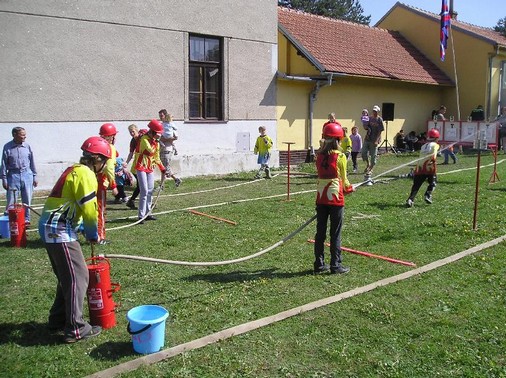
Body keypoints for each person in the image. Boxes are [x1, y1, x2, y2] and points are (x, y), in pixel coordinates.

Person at [38, 136, 111, 343]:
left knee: (66, 276)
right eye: (104, 161)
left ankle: (57, 320)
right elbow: (89, 210)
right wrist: (91, 234)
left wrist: (78, 227)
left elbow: (70, 204)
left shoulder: (74, 170)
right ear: (97, 160)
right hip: (58, 230)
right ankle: (75, 328)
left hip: (52, 227)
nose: (104, 166)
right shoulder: (86, 174)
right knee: (78, 277)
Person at [313, 121, 354, 274]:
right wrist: (349, 189)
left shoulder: (319, 156)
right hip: (335, 198)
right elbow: (344, 179)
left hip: (321, 197)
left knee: (320, 232)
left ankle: (319, 264)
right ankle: (335, 265)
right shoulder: (340, 156)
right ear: (338, 139)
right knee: (335, 233)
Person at [1, 127, 38, 225]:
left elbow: (32, 162)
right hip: (13, 176)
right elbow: (4, 164)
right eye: (22, 135)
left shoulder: (27, 146)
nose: (24, 137)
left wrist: (35, 176)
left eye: (25, 134)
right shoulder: (7, 147)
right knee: (11, 201)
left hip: (27, 175)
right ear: (14, 135)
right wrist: (4, 179)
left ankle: (26, 220)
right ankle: (8, 221)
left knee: (27, 200)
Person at [134, 119, 167, 223]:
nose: (159, 135)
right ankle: (141, 216)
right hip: (141, 166)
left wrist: (162, 168)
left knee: (150, 190)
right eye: (158, 133)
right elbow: (150, 151)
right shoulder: (144, 139)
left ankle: (148, 213)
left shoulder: (155, 142)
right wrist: (156, 141)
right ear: (153, 131)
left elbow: (156, 157)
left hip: (149, 167)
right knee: (144, 191)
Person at [405, 128, 440, 207]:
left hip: (419, 168)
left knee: (416, 185)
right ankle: (428, 195)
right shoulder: (435, 145)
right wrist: (433, 160)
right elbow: (434, 153)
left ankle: (410, 199)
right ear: (436, 138)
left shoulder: (423, 146)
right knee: (433, 182)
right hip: (429, 167)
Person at [97, 123, 119, 245]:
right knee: (100, 211)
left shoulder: (97, 145)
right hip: (101, 183)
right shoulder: (109, 148)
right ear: (111, 136)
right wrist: (114, 185)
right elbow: (109, 168)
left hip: (91, 181)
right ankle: (100, 237)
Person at [158, 109, 182, 187]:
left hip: (168, 149)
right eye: (159, 116)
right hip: (161, 148)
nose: (160, 117)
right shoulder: (162, 125)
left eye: (161, 116)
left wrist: (165, 139)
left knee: (164, 167)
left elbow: (175, 137)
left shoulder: (170, 125)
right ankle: (175, 179)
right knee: (164, 167)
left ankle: (162, 185)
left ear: (165, 115)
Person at [361, 105, 384, 174]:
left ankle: (371, 168)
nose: (374, 112)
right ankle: (368, 164)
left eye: (376, 111)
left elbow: (380, 131)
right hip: (367, 138)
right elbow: (366, 127)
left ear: (378, 112)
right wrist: (364, 125)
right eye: (373, 111)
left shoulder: (379, 119)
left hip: (375, 140)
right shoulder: (369, 118)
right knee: (363, 153)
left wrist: (377, 140)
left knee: (373, 156)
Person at [125, 124, 143, 209]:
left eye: (133, 131)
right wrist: (126, 162)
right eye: (130, 132)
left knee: (141, 186)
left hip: (144, 164)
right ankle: (132, 201)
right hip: (137, 166)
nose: (132, 133)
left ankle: (131, 201)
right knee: (141, 186)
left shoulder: (143, 137)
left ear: (137, 130)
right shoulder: (133, 141)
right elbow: (131, 153)